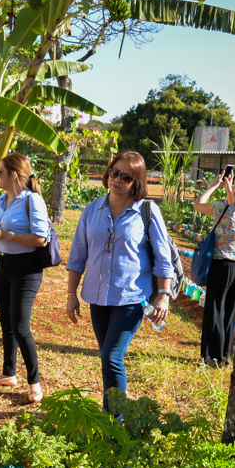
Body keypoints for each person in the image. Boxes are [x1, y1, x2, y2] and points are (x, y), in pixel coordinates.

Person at [65, 150, 174, 413]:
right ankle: (110, 413)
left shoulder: (147, 211)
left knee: (112, 357)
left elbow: (163, 257)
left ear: (136, 182)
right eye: (114, 172)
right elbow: (78, 255)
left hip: (131, 297)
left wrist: (163, 294)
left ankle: (114, 421)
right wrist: (71, 294)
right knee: (107, 359)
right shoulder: (91, 210)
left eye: (126, 177)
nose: (117, 179)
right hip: (97, 297)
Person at [0, 153, 49, 403]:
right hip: (4, 265)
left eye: (0, 172)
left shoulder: (32, 200)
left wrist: (7, 234)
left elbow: (41, 238)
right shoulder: (0, 199)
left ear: (13, 175)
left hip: (27, 269)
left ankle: (35, 383)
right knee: (6, 324)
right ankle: (8, 373)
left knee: (20, 326)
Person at [192, 170, 235, 366]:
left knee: (215, 309)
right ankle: (224, 355)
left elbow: (198, 204)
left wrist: (214, 185)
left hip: (221, 265)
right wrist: (228, 187)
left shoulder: (222, 209)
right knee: (231, 311)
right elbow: (231, 208)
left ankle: (211, 356)